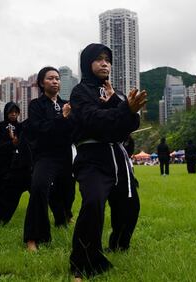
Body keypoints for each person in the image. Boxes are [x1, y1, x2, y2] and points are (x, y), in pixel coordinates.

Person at [69, 43, 147, 280]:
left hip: (118, 155)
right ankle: (82, 265)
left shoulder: (115, 93)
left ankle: (118, 246)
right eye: (99, 59)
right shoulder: (80, 92)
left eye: (108, 59)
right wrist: (123, 109)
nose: (105, 63)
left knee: (129, 206)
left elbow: (131, 125)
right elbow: (94, 119)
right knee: (93, 204)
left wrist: (122, 106)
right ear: (87, 63)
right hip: (92, 156)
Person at [23, 66, 75, 251]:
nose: (55, 81)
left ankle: (63, 219)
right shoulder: (36, 106)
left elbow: (72, 129)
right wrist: (62, 118)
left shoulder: (67, 104)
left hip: (66, 155)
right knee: (38, 189)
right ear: (41, 83)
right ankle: (33, 238)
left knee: (67, 193)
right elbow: (40, 129)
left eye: (57, 78)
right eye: (50, 78)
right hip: (45, 156)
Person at [0, 102, 31, 228]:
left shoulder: (21, 127)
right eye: (10, 112)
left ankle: (64, 217)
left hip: (19, 165)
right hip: (0, 164)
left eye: (16, 112)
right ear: (6, 113)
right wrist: (12, 143)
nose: (13, 114)